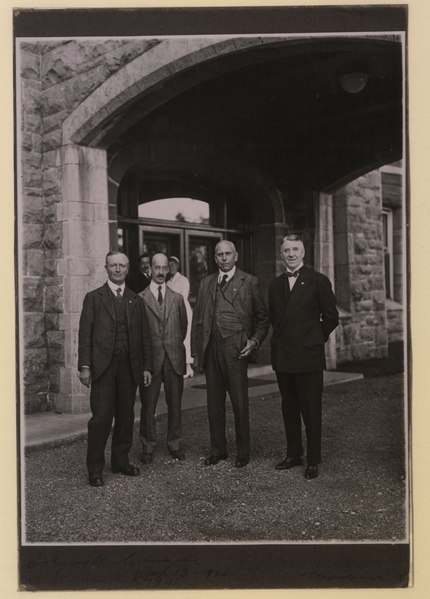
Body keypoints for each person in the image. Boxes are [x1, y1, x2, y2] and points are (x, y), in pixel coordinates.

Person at [191, 240, 269, 468]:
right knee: (214, 404)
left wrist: (254, 341)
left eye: (228, 254)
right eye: (219, 254)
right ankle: (218, 450)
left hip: (236, 351)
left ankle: (243, 452)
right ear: (214, 258)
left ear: (235, 256)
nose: (224, 258)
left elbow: (263, 319)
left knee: (239, 403)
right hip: (210, 350)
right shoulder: (206, 283)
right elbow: (198, 321)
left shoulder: (250, 281)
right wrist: (197, 353)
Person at [78, 251, 153, 487]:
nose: (117, 269)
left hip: (129, 369)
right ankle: (95, 469)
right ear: (106, 268)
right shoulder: (93, 298)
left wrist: (146, 368)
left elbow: (145, 338)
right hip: (102, 369)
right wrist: (85, 366)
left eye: (122, 265)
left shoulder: (136, 300)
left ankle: (121, 462)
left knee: (126, 416)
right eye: (113, 265)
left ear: (128, 268)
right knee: (100, 419)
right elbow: (85, 335)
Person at [268, 235, 339, 480]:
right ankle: (293, 454)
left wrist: (314, 338)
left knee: (311, 409)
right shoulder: (275, 285)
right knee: (289, 408)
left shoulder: (318, 280)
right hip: (284, 357)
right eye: (286, 250)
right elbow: (275, 321)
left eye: (295, 249)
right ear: (281, 254)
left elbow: (331, 317)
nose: (291, 254)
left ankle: (313, 459)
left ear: (303, 252)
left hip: (308, 356)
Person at [139, 253, 188, 464]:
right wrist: (144, 364)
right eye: (156, 267)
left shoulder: (177, 298)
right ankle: (147, 446)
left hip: (174, 359)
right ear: (150, 269)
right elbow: (139, 334)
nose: (160, 272)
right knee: (148, 405)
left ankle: (174, 444)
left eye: (164, 268)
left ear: (169, 270)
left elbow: (183, 327)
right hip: (150, 362)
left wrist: (172, 345)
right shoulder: (139, 299)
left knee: (175, 405)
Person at [167, 256, 194, 378]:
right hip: (171, 314)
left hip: (183, 312)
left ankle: (188, 368)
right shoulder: (168, 282)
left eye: (173, 265)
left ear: (177, 266)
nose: (171, 267)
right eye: (169, 265)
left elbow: (182, 298)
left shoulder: (183, 280)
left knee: (185, 339)